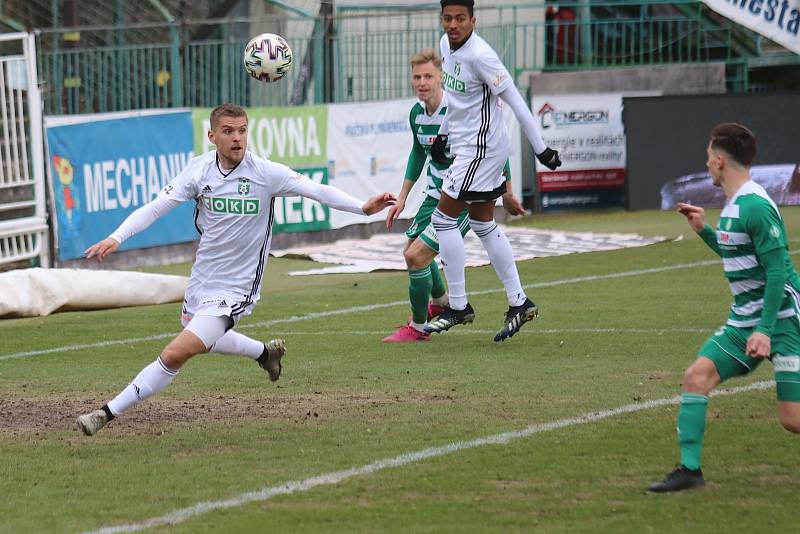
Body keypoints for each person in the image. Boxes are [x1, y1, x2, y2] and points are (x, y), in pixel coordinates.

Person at [77, 103, 395, 436]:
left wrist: (362, 207)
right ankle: (264, 353)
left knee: (176, 352)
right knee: (205, 338)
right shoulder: (199, 172)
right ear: (212, 136)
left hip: (237, 288)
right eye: (228, 131)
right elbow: (157, 207)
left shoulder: (266, 173)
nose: (237, 138)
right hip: (203, 278)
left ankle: (104, 413)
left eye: (242, 130)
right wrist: (117, 236)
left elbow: (316, 190)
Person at [649, 123, 800, 492]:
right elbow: (738, 255)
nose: (706, 165)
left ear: (719, 161)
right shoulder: (734, 207)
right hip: (745, 320)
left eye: (707, 158)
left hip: (781, 319)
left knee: (793, 419)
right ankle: (690, 472)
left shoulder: (756, 206)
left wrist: (765, 329)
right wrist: (704, 230)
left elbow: (778, 270)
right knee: (696, 377)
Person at [425, 0, 562, 342]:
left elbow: (514, 99)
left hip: (481, 149)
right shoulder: (445, 46)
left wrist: (540, 147)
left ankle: (458, 305)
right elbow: (458, 102)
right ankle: (519, 301)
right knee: (483, 222)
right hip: (471, 146)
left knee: (443, 220)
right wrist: (443, 132)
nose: (453, 24)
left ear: (473, 19)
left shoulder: (482, 56)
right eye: (447, 18)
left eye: (460, 18)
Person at [382, 48, 525, 343]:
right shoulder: (416, 114)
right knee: (411, 251)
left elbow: (493, 148)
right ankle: (442, 302)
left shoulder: (458, 110)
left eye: (428, 76)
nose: (422, 82)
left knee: (416, 257)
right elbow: (418, 152)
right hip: (434, 195)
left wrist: (508, 191)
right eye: (417, 77)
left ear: (441, 78)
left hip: (461, 199)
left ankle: (419, 328)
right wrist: (403, 196)